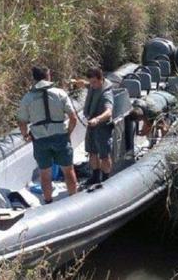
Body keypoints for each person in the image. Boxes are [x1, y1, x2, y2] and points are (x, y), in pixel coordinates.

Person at [17, 66, 78, 204]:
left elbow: (21, 121)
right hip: (60, 137)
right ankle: (75, 199)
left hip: (40, 140)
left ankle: (48, 201)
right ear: (47, 76)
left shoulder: (27, 98)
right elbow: (73, 117)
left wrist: (26, 135)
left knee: (45, 174)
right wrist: (68, 133)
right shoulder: (60, 93)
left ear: (34, 78)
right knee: (68, 170)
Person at [83, 66, 114, 185]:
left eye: (94, 82)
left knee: (104, 155)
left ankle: (106, 179)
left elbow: (108, 112)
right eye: (91, 82)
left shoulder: (106, 94)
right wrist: (81, 83)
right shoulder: (93, 86)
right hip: (91, 126)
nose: (92, 85)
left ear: (101, 79)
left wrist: (97, 119)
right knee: (92, 151)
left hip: (102, 128)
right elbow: (88, 85)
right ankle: (95, 176)